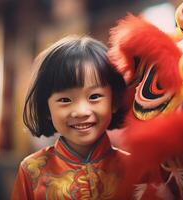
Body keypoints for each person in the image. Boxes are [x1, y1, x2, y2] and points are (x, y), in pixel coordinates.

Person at [11, 35, 132, 199]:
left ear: (115, 100)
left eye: (95, 96)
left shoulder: (135, 168)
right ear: (47, 108)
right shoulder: (31, 171)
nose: (81, 111)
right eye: (65, 100)